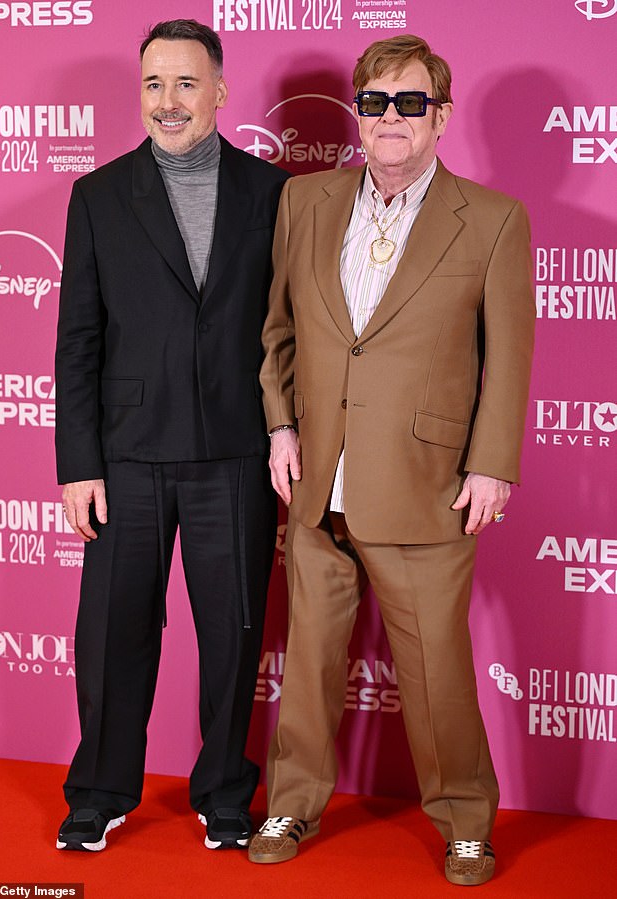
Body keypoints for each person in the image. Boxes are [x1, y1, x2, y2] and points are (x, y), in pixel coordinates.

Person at [248, 34, 534, 886]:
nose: (390, 120)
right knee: (307, 662)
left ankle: (466, 821)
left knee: (437, 671)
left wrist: (493, 465)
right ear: (358, 115)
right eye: (374, 103)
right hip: (314, 477)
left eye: (410, 103)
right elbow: (277, 333)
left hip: (426, 483)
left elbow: (509, 356)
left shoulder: (492, 218)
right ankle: (290, 802)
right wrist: (280, 425)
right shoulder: (306, 201)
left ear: (440, 116)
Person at [54, 19, 288, 853]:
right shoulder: (98, 194)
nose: (169, 101)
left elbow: (287, 328)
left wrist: (285, 431)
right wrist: (79, 464)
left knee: (233, 636)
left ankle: (226, 790)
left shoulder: (274, 192)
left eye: (187, 83)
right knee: (113, 631)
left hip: (236, 452)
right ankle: (100, 788)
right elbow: (77, 340)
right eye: (154, 84)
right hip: (126, 455)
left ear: (222, 91)